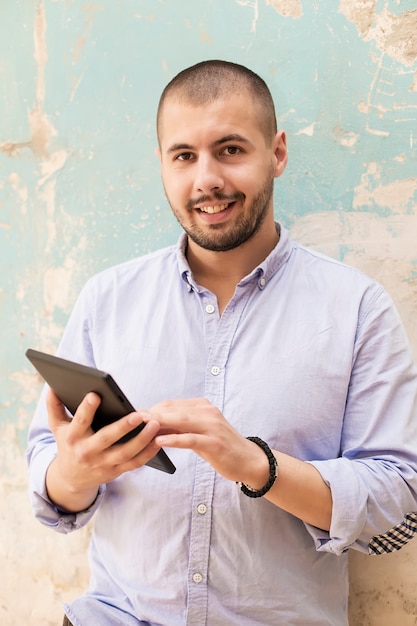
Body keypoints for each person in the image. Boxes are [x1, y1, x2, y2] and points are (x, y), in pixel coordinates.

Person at [27, 60, 417, 626]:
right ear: (162, 164)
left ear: (277, 152)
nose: (206, 179)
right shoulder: (106, 298)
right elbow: (48, 476)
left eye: (230, 149)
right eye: (184, 156)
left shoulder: (357, 309)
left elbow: (397, 503)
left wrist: (257, 465)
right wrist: (74, 473)